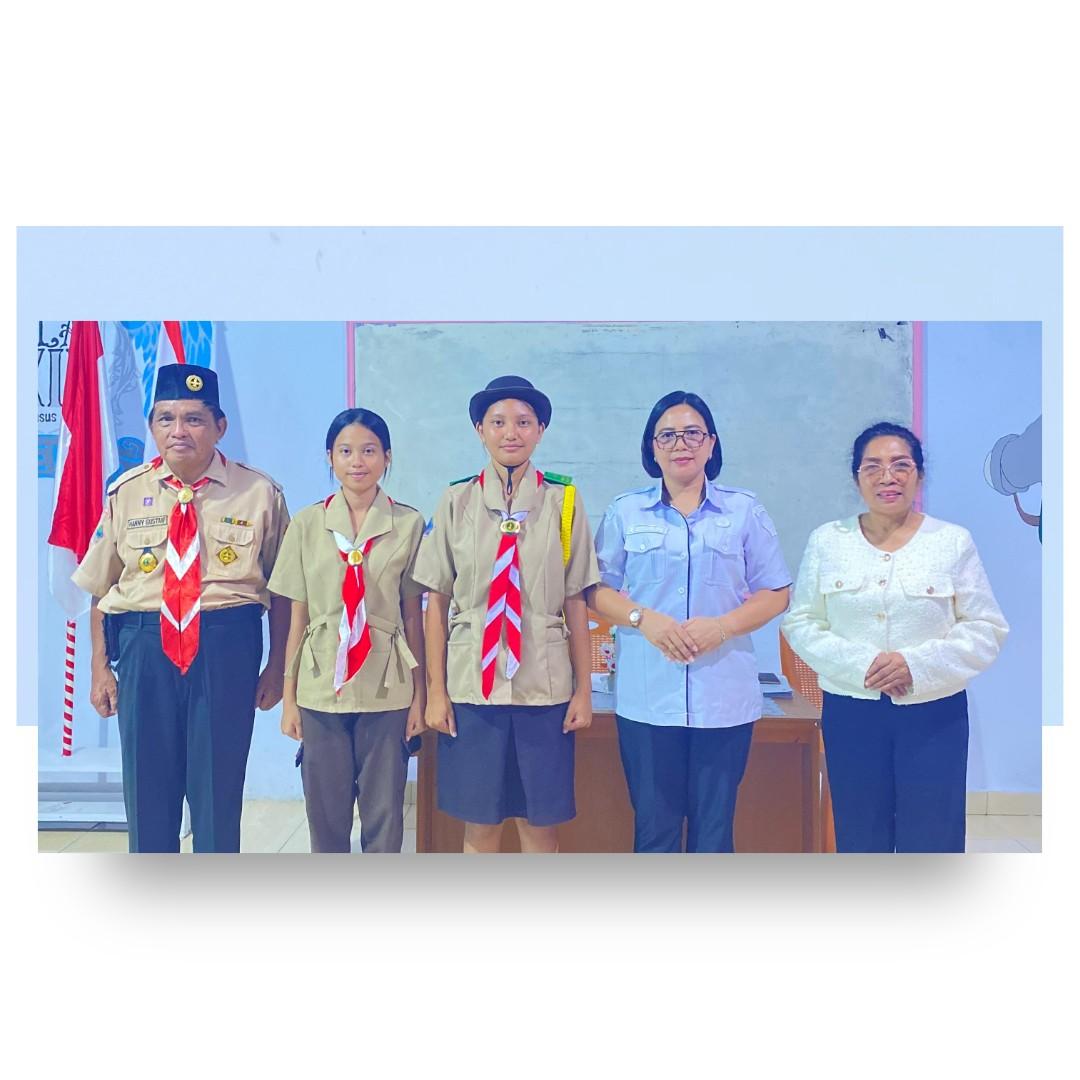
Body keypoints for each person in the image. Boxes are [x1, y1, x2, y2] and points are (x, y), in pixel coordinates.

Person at [73, 363, 290, 853]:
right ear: (152, 426)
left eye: (194, 419)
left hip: (225, 646)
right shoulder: (127, 492)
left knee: (218, 790)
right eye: (166, 419)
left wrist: (278, 666)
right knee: (147, 788)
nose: (179, 431)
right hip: (144, 647)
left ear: (220, 427)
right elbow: (101, 586)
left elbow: (284, 590)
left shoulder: (259, 493)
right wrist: (99, 668)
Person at [782, 421, 1009, 853]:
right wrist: (862, 665)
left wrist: (915, 666)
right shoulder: (828, 541)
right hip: (852, 710)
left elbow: (986, 628)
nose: (887, 477)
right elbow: (801, 622)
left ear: (919, 475)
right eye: (873, 467)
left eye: (901, 465)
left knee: (933, 836)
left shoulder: (951, 541)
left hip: (934, 714)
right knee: (860, 833)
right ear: (857, 478)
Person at [590, 391, 792, 853]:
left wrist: (722, 627)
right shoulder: (625, 511)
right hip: (648, 697)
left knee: (714, 833)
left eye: (692, 434)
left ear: (711, 443)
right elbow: (595, 591)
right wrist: (643, 619)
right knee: (654, 830)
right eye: (667, 435)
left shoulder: (744, 510)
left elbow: (776, 592)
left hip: (723, 697)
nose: (680, 444)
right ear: (652, 447)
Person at [412, 375, 600, 854]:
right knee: (480, 826)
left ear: (540, 430)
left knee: (540, 826)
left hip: (544, 688)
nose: (510, 432)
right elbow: (436, 601)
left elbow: (576, 599)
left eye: (523, 422)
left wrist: (583, 690)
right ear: (480, 430)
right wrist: (436, 692)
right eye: (498, 422)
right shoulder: (456, 500)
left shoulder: (564, 502)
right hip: (472, 688)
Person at [268, 408, 426, 853]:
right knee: (325, 818)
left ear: (387, 457)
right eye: (346, 451)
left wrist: (420, 695)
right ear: (330, 458)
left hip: (387, 684)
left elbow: (413, 615)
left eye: (369, 451)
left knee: (385, 816)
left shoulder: (409, 524)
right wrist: (289, 698)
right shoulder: (307, 524)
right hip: (321, 684)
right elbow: (297, 615)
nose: (358, 462)